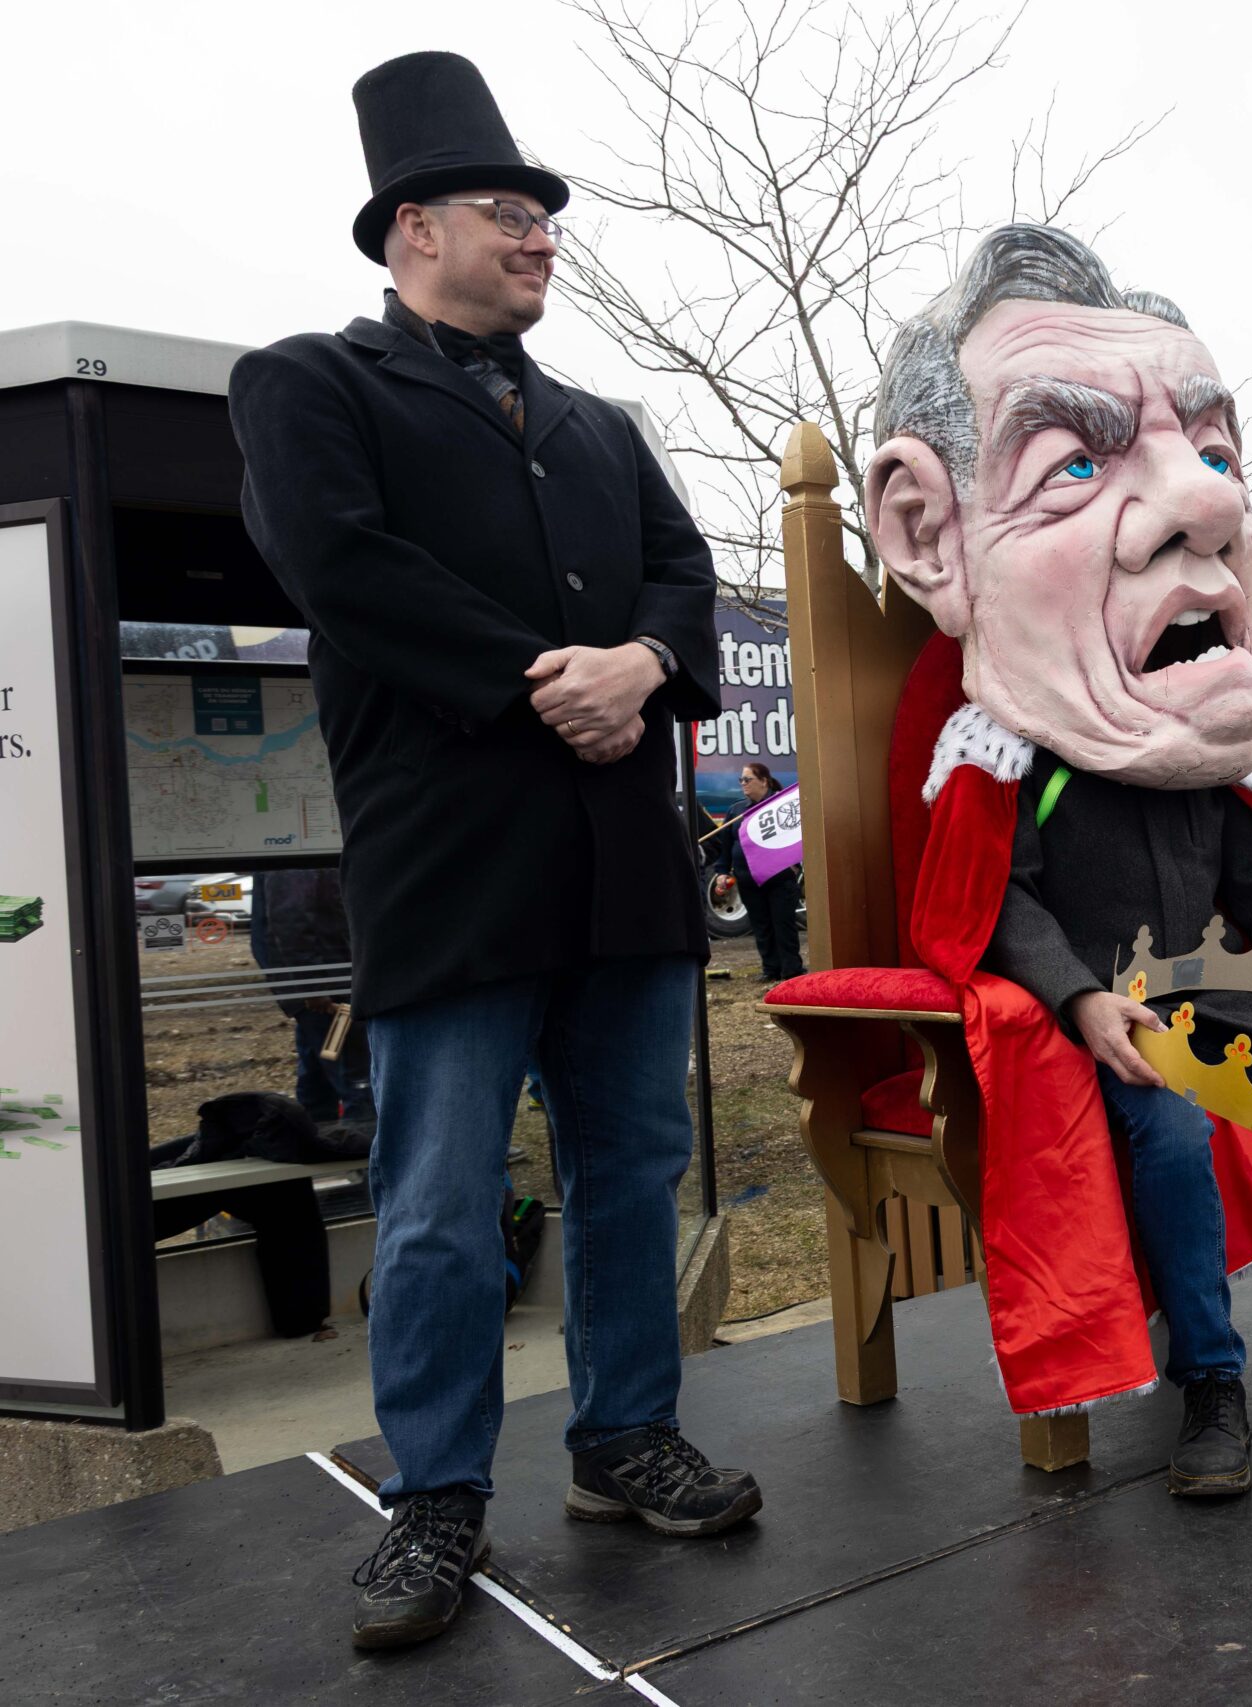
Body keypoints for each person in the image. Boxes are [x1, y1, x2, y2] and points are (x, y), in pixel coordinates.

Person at [228, 53, 756, 1651]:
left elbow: (684, 575)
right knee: (443, 1199)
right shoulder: (308, 384)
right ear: (414, 230)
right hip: (452, 866)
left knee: (633, 1169)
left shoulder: (601, 422)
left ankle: (623, 1435)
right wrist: (555, 683)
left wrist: (644, 663)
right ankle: (437, 1494)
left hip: (623, 869)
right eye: (508, 211)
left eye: (543, 215)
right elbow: (343, 567)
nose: (540, 237)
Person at [863, 224, 1252, 1499]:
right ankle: (1210, 1378)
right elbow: (989, 901)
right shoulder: (1007, 751)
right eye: (1074, 464)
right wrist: (1079, 1000)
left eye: (1215, 458)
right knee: (1162, 1114)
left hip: (1216, 1002)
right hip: (1112, 1021)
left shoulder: (1199, 755)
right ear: (931, 534)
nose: (1207, 505)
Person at [249, 867, 374, 1127]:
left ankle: (321, 1137)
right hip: (329, 996)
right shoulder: (299, 861)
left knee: (320, 1077)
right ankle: (359, 1139)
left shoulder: (300, 859)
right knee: (355, 1081)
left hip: (324, 989)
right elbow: (290, 919)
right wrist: (313, 987)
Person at [712, 762, 805, 983]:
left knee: (783, 925)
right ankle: (770, 969)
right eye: (741, 780)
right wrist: (722, 871)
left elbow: (796, 835)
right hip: (749, 880)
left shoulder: (780, 805)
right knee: (761, 926)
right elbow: (726, 846)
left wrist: (795, 863)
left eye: (748, 779)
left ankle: (791, 970)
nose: (743, 784)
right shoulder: (736, 811)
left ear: (764, 781)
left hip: (779, 878)